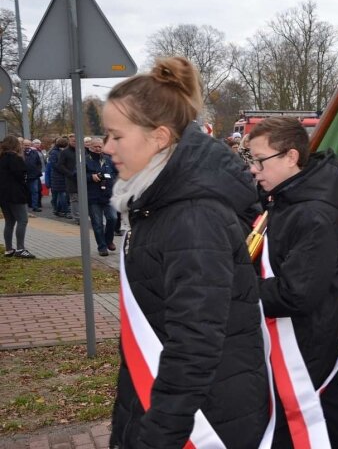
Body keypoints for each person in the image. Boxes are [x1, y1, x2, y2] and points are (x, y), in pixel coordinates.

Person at [103, 57, 270, 448]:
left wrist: (155, 438)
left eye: (116, 136)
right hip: (187, 406)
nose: (107, 147)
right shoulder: (159, 203)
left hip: (204, 421)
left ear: (159, 137)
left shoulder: (192, 216)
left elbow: (193, 345)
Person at [247, 116, 338, 449]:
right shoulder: (285, 198)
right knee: (332, 419)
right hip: (296, 339)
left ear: (291, 157)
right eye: (251, 160)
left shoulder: (313, 213)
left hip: (304, 342)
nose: (254, 169)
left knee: (312, 419)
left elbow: (297, 293)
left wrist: (234, 290)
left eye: (260, 160)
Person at [0, 136, 35, 258]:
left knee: (9, 221)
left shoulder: (2, 158)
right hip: (16, 194)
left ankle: (9, 249)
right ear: (16, 146)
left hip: (3, 195)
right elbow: (21, 177)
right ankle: (20, 249)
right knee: (22, 220)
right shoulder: (16, 159)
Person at [85, 137, 118, 256]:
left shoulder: (108, 159)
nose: (98, 149)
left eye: (100, 146)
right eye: (95, 146)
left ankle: (109, 240)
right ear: (90, 147)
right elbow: (76, 175)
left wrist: (114, 181)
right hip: (93, 196)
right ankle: (102, 246)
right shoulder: (85, 159)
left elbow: (117, 172)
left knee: (113, 218)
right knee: (97, 223)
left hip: (108, 195)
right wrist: (91, 177)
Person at [56, 133, 80, 224]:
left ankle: (83, 215)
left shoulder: (82, 151)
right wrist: (69, 174)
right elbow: (60, 165)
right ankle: (77, 217)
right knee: (74, 198)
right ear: (69, 141)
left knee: (83, 198)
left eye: (76, 141)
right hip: (71, 178)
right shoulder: (64, 152)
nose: (75, 142)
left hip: (83, 178)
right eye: (73, 141)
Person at [46, 137, 70, 217]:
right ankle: (64, 210)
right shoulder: (55, 152)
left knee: (60, 194)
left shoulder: (57, 152)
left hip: (60, 175)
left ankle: (58, 209)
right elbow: (54, 165)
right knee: (61, 194)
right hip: (58, 176)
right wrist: (64, 169)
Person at [22, 139, 43, 212]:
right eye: (25, 145)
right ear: (22, 145)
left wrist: (38, 171)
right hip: (23, 176)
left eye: (28, 145)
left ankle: (35, 206)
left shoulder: (35, 153)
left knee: (35, 191)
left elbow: (39, 163)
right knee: (24, 192)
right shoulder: (20, 153)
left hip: (34, 175)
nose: (27, 146)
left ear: (30, 145)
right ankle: (25, 207)